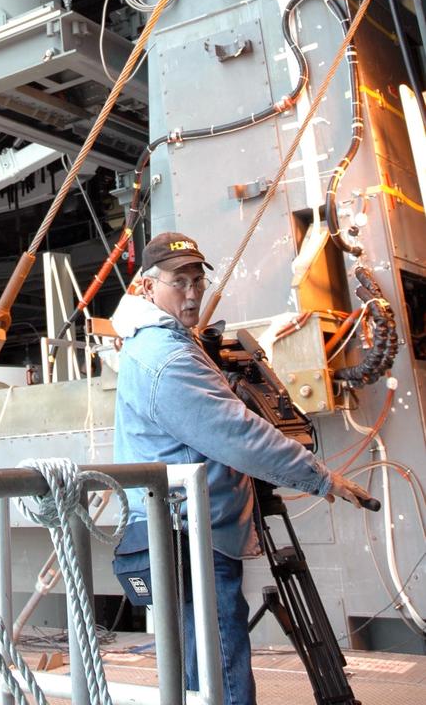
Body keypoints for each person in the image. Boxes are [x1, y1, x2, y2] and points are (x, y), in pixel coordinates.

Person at [113, 231, 371, 705]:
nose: (192, 294)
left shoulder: (171, 343)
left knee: (204, 657)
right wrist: (319, 475)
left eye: (198, 281)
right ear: (147, 288)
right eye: (179, 282)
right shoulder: (166, 358)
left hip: (196, 528)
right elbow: (237, 434)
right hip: (190, 532)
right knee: (219, 663)